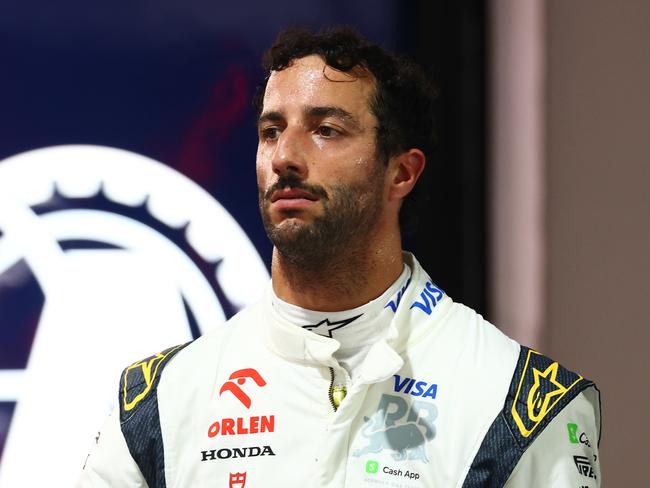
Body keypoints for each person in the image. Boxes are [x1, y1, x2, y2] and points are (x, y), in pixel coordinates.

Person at [78, 28, 601, 487]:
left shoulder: (521, 404)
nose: (284, 157)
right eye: (270, 131)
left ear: (402, 172)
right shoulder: (159, 402)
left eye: (326, 130)